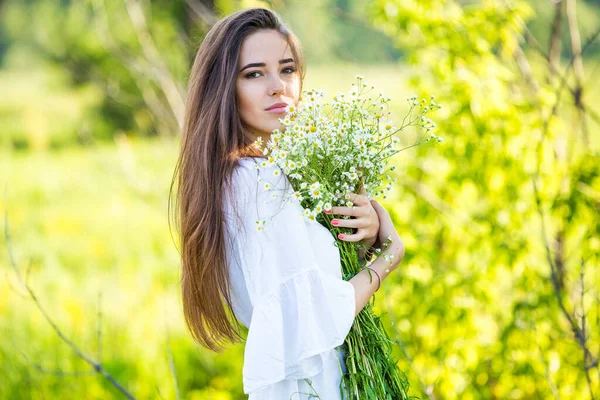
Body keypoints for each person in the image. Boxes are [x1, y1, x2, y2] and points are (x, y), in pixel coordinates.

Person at [169, 7, 405, 399]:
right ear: (224, 89)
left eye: (287, 69)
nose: (277, 86)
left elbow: (311, 289)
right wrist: (389, 255)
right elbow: (316, 316)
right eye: (254, 74)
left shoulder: (241, 177)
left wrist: (360, 242)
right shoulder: (260, 183)